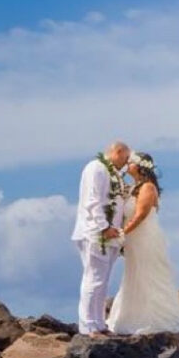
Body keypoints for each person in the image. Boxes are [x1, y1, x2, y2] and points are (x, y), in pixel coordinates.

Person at [106, 153, 179, 335]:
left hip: (145, 238)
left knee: (150, 274)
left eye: (130, 162)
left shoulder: (147, 187)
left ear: (139, 166)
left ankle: (156, 319)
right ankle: (131, 317)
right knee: (134, 275)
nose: (127, 165)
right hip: (134, 240)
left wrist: (122, 233)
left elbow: (140, 215)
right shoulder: (132, 188)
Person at [71, 141, 133, 335]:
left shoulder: (113, 173)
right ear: (117, 151)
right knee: (93, 278)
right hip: (96, 233)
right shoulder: (96, 168)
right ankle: (88, 324)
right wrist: (103, 226)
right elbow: (92, 200)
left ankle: (99, 322)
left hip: (110, 234)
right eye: (125, 158)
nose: (126, 163)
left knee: (103, 281)